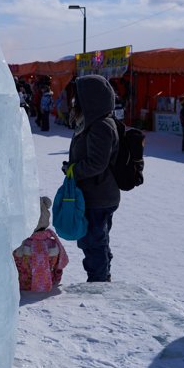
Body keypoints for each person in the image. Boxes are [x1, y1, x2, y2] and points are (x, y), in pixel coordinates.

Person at [65, 74, 120, 282]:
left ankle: (98, 283)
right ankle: (102, 277)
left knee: (94, 242)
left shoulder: (100, 125)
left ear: (90, 99)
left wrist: (73, 169)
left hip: (99, 196)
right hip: (96, 194)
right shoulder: (93, 122)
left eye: (77, 97)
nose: (74, 102)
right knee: (96, 241)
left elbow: (97, 163)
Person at [14, 196, 69, 292]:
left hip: (24, 286)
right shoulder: (54, 243)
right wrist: (56, 281)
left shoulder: (20, 243)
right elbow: (58, 268)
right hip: (49, 284)